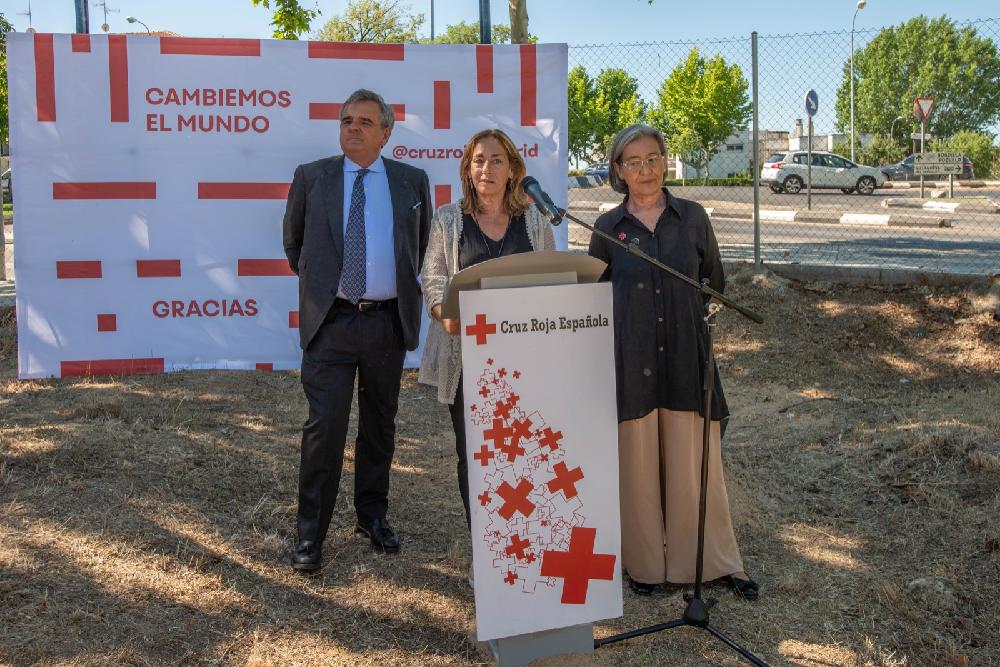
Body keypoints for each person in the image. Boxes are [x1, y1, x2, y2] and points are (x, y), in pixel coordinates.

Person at [588, 124, 758, 600]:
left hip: (687, 358)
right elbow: (596, 300)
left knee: (694, 466)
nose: (645, 169)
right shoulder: (606, 229)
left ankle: (708, 561)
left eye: (653, 158)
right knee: (637, 469)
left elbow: (714, 281)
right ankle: (644, 565)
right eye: (633, 162)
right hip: (632, 362)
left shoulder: (693, 218)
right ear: (618, 171)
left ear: (666, 161)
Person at [282, 89, 432, 571]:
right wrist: (328, 291)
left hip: (387, 322)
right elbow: (295, 244)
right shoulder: (312, 177)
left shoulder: (412, 181)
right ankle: (310, 535)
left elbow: (422, 244)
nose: (353, 128)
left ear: (387, 133)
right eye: (346, 119)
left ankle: (372, 516)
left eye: (365, 122)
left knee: (379, 427)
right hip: (333, 321)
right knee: (324, 429)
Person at [419, 129, 555, 528]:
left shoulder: (534, 221)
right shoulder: (448, 219)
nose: (486, 168)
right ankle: (486, 543)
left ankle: (522, 535)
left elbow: (550, 281)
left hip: (524, 359)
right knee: (476, 454)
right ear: (467, 169)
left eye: (497, 160)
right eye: (478, 160)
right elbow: (433, 279)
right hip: (468, 358)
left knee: (525, 451)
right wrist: (445, 314)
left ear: (513, 170)